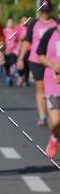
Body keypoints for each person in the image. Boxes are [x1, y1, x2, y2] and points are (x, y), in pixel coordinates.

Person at [17, 0, 57, 125]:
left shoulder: (56, 23)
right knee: (41, 88)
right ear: (40, 11)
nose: (45, 13)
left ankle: (54, 112)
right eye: (43, 11)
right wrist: (21, 58)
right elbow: (27, 42)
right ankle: (43, 115)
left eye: (48, 11)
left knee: (53, 88)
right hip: (36, 60)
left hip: (52, 61)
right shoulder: (34, 24)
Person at [36, 19, 60, 159]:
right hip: (53, 82)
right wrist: (53, 65)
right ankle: (55, 136)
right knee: (55, 121)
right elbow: (40, 55)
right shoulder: (50, 33)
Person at [2, 17, 20, 86]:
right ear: (6, 23)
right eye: (9, 22)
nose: (10, 24)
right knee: (6, 65)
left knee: (13, 64)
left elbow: (18, 40)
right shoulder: (3, 31)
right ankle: (8, 75)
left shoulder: (15, 32)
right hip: (6, 51)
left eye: (11, 22)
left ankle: (11, 76)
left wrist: (18, 49)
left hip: (14, 51)